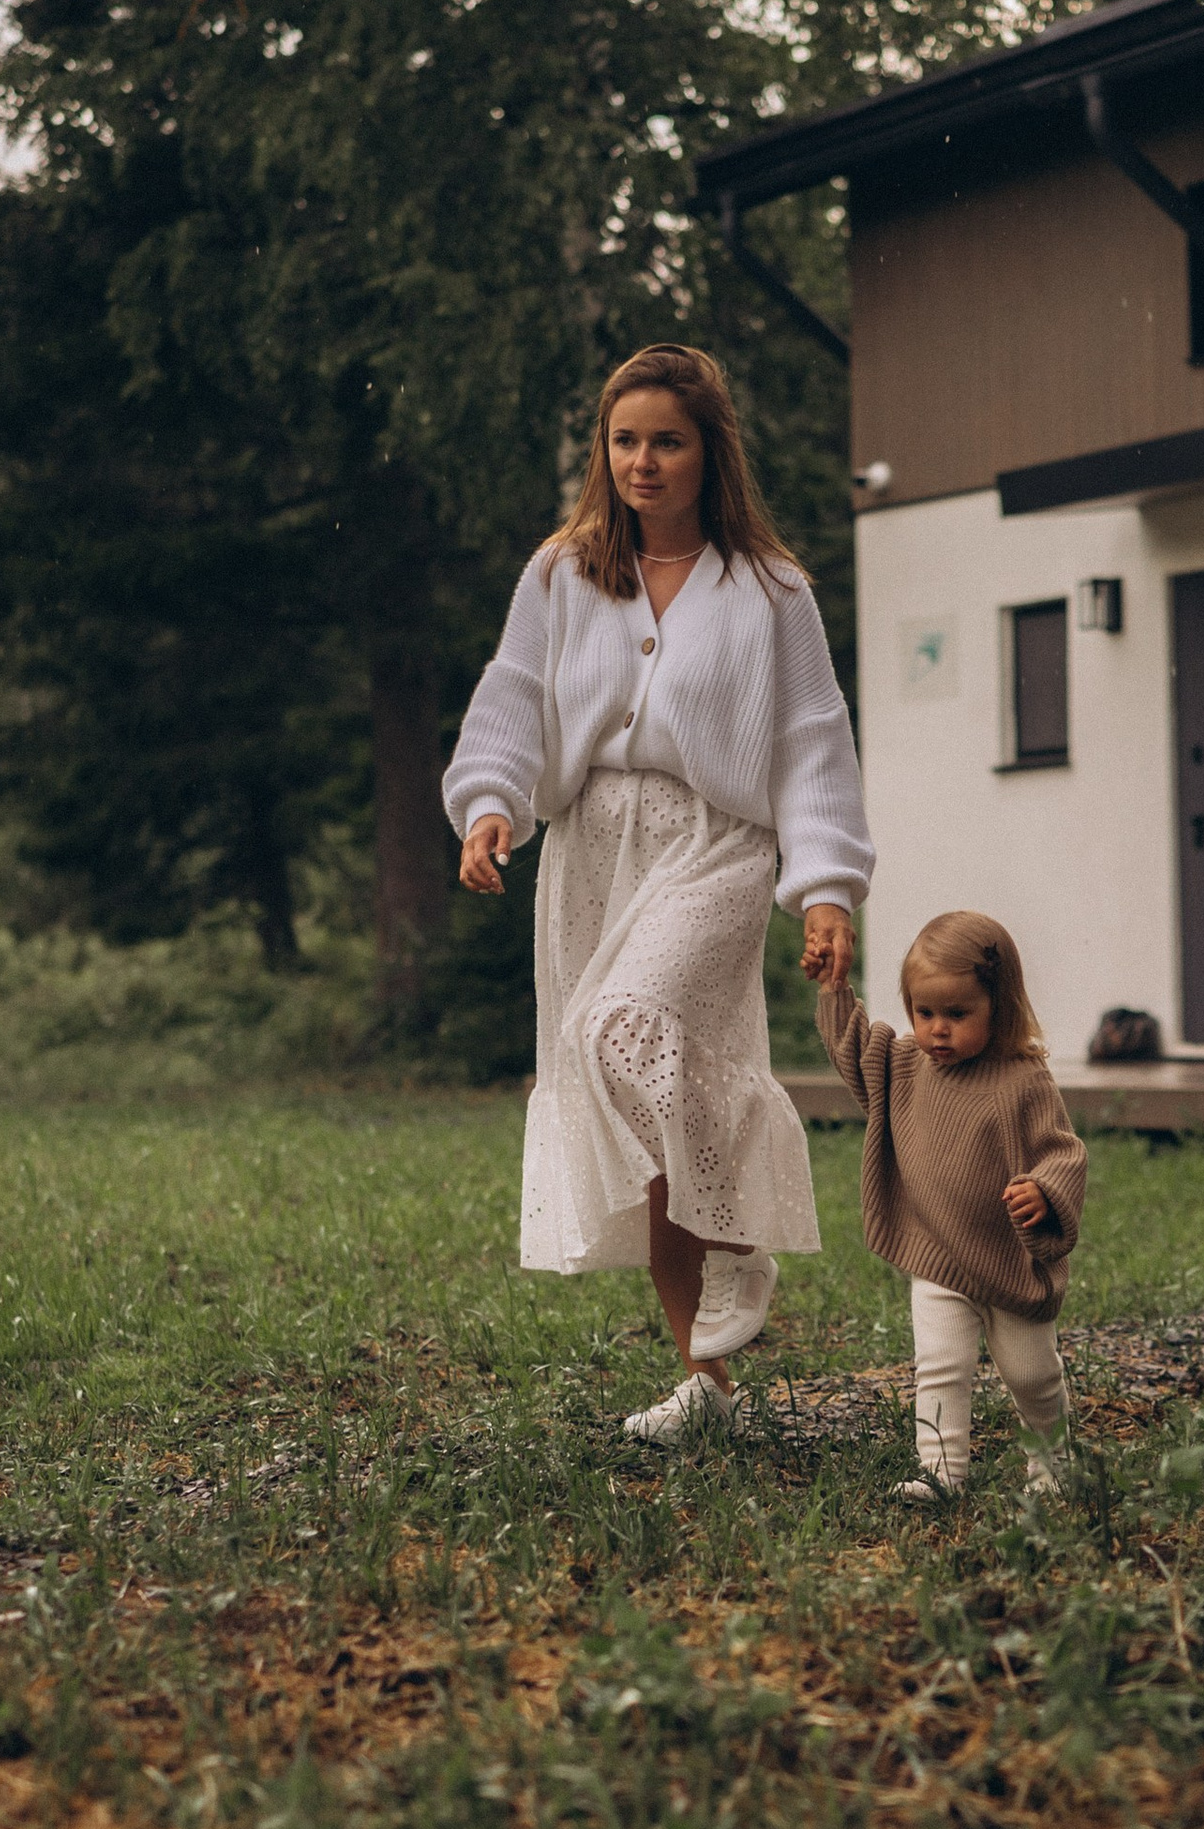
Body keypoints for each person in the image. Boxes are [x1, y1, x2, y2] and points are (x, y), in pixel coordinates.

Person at [446, 342, 870, 1444]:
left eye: (666, 441)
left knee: (625, 1032)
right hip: (593, 849)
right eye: (625, 440)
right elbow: (512, 700)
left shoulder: (772, 593)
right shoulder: (561, 573)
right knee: (635, 1110)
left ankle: (736, 1244)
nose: (643, 461)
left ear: (707, 452)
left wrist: (826, 887)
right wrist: (489, 801)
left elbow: (813, 744)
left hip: (716, 843)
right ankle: (706, 1387)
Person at [815, 911, 1087, 1500]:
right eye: (924, 1012)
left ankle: (1053, 1461)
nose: (938, 1029)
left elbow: (1063, 1153)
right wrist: (836, 988)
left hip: (1007, 1263)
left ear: (1001, 1006)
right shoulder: (906, 1065)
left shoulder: (1023, 1080)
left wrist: (1044, 1190)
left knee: (1032, 1376)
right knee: (939, 1367)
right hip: (936, 1256)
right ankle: (942, 1474)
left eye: (958, 1014)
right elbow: (854, 1047)